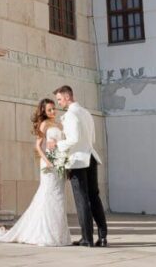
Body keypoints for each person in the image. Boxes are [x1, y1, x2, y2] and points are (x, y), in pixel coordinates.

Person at [0, 99, 71, 246]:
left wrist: (63, 160)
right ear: (44, 112)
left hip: (59, 163)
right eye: (49, 110)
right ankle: (45, 234)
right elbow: (38, 146)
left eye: (54, 109)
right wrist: (47, 161)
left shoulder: (58, 124)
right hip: (48, 163)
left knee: (59, 196)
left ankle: (59, 235)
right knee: (48, 194)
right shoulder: (44, 124)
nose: (53, 112)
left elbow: (62, 144)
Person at [49, 85, 108, 247]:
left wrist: (57, 144)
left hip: (78, 161)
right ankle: (102, 237)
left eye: (60, 99)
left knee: (82, 200)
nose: (59, 103)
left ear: (67, 97)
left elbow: (73, 139)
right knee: (94, 198)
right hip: (91, 157)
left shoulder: (71, 115)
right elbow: (92, 138)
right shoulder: (86, 113)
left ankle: (87, 238)